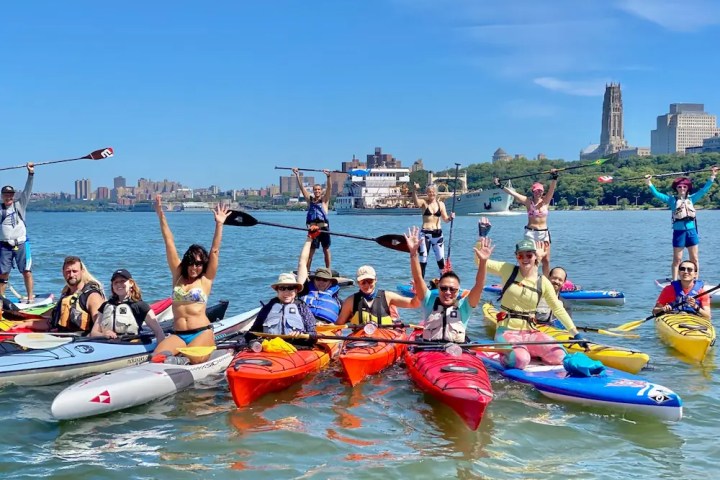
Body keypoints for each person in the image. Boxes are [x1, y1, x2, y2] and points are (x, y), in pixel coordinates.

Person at [481, 238, 585, 370]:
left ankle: (530, 351)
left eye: (529, 255)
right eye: (520, 255)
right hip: (507, 332)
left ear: (536, 257)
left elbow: (558, 309)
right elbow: (480, 262)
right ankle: (507, 355)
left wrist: (576, 334)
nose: (525, 259)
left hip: (530, 332)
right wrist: (481, 242)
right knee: (521, 359)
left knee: (559, 356)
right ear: (516, 257)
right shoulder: (507, 269)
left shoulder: (543, 282)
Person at [153, 195, 230, 364]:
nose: (195, 267)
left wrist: (219, 224)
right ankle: (176, 359)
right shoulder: (178, 275)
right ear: (186, 262)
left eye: (199, 264)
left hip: (201, 331)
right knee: (157, 358)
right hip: (178, 334)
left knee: (192, 359)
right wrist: (161, 215)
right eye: (192, 263)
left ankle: (187, 358)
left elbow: (215, 251)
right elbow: (169, 243)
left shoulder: (206, 279)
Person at [407, 226, 487, 342]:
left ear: (458, 291)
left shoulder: (465, 306)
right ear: (438, 288)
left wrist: (483, 262)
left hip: (456, 352)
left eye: (452, 289)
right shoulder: (428, 300)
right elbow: (418, 278)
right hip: (430, 351)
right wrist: (413, 253)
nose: (448, 292)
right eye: (444, 288)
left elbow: (479, 285)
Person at [646, 166, 717, 280]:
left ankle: (695, 281)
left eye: (684, 186)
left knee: (694, 259)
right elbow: (657, 194)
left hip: (691, 231)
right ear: (676, 188)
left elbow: (704, 190)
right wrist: (649, 182)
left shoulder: (692, 199)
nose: (682, 188)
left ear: (687, 188)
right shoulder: (672, 200)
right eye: (680, 186)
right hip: (679, 232)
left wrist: (712, 176)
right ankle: (674, 281)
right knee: (677, 259)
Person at [13, 256, 105, 333]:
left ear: (82, 271)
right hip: (62, 337)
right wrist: (25, 324)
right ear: (63, 272)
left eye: (75, 271)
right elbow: (51, 323)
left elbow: (100, 325)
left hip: (81, 341)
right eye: (68, 272)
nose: (71, 275)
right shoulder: (66, 294)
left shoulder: (92, 296)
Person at [494, 170, 558, 276]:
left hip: (544, 234)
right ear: (533, 191)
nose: (538, 193)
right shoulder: (528, 202)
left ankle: (548, 283)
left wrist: (554, 178)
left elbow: (552, 189)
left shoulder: (545, 202)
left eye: (540, 191)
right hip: (531, 233)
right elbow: (512, 193)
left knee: (546, 260)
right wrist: (500, 185)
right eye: (536, 191)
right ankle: (529, 278)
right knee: (533, 258)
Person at [89, 269, 166, 340]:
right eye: (115, 282)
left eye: (122, 281)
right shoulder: (105, 306)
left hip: (131, 345)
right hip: (108, 344)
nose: (119, 284)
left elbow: (158, 332)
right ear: (112, 285)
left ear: (131, 283)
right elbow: (93, 333)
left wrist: (160, 351)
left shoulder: (140, 306)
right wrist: (103, 335)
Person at [336, 261, 420, 326]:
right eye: (363, 282)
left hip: (384, 339)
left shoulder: (387, 296)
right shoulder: (350, 301)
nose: (367, 285)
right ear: (358, 282)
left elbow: (413, 304)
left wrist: (417, 292)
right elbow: (339, 324)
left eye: (370, 281)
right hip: (360, 341)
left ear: (376, 280)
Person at [246, 272, 318, 348]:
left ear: (296, 291)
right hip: (271, 347)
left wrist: (302, 334)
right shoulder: (267, 308)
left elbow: (313, 335)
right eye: (282, 288)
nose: (286, 292)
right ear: (277, 291)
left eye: (290, 288)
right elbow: (253, 332)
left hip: (296, 348)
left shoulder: (302, 307)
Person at [0, 162, 35, 301]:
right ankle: (1, 300)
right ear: (2, 196)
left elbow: (28, 190)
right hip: (4, 246)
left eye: (10, 194)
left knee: (26, 271)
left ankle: (30, 297)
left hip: (21, 244)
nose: (8, 197)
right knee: (3, 274)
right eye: (6, 194)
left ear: (13, 195)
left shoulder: (20, 205)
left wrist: (31, 173)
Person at [296, 229, 342, 324]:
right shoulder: (304, 291)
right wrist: (309, 238)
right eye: (318, 279)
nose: (321, 282)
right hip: (302, 328)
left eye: (325, 280)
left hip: (325, 331)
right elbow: (302, 263)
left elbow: (345, 321)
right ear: (314, 280)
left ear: (330, 282)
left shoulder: (339, 301)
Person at [411, 183, 453, 279]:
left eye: (433, 191)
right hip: (425, 234)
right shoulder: (424, 203)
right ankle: (420, 282)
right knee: (423, 258)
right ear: (427, 193)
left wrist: (450, 218)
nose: (431, 193)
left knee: (440, 260)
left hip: (438, 235)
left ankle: (443, 281)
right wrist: (414, 190)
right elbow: (416, 202)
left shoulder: (441, 204)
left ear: (436, 193)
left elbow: (445, 219)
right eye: (429, 192)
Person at [293, 167, 332, 270]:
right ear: (313, 191)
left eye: (319, 189)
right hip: (313, 229)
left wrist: (328, 176)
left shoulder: (324, 200)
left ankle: (328, 270)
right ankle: (307, 271)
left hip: (324, 229)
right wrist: (297, 175)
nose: (317, 191)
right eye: (315, 190)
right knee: (310, 250)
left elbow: (329, 188)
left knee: (326, 249)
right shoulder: (310, 200)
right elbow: (302, 188)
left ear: (321, 191)